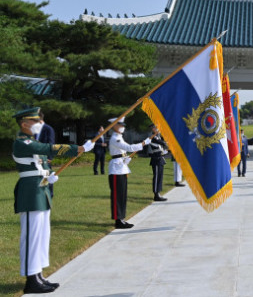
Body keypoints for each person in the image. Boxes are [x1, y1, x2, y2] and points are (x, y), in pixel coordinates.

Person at [12, 107, 91, 294]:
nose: (39, 124)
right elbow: (48, 149)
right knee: (32, 236)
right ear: (24, 124)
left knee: (42, 234)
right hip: (31, 193)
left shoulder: (32, 141)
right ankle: (31, 280)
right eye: (35, 121)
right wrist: (78, 148)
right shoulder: (22, 142)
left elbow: (41, 162)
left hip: (41, 190)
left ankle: (38, 274)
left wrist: (49, 175)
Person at [109, 117, 152, 229]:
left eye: (123, 125)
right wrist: (143, 143)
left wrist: (125, 158)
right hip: (116, 169)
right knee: (117, 196)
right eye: (120, 125)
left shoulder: (119, 137)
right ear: (114, 126)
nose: (122, 127)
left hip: (121, 168)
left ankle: (121, 218)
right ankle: (118, 220)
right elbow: (129, 147)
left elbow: (122, 152)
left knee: (122, 195)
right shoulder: (115, 138)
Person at [36, 112, 56, 197]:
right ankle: (40, 192)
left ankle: (50, 193)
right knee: (38, 175)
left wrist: (50, 157)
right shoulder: (34, 130)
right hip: (36, 157)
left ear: (40, 119)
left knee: (47, 175)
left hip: (45, 157)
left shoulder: (48, 129)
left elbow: (51, 144)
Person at [147, 125, 168, 202]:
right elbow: (162, 143)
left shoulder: (158, 137)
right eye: (155, 128)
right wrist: (166, 143)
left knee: (160, 177)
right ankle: (156, 194)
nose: (157, 129)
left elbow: (162, 145)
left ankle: (158, 193)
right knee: (156, 177)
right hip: (156, 159)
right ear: (153, 129)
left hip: (160, 158)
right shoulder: (153, 137)